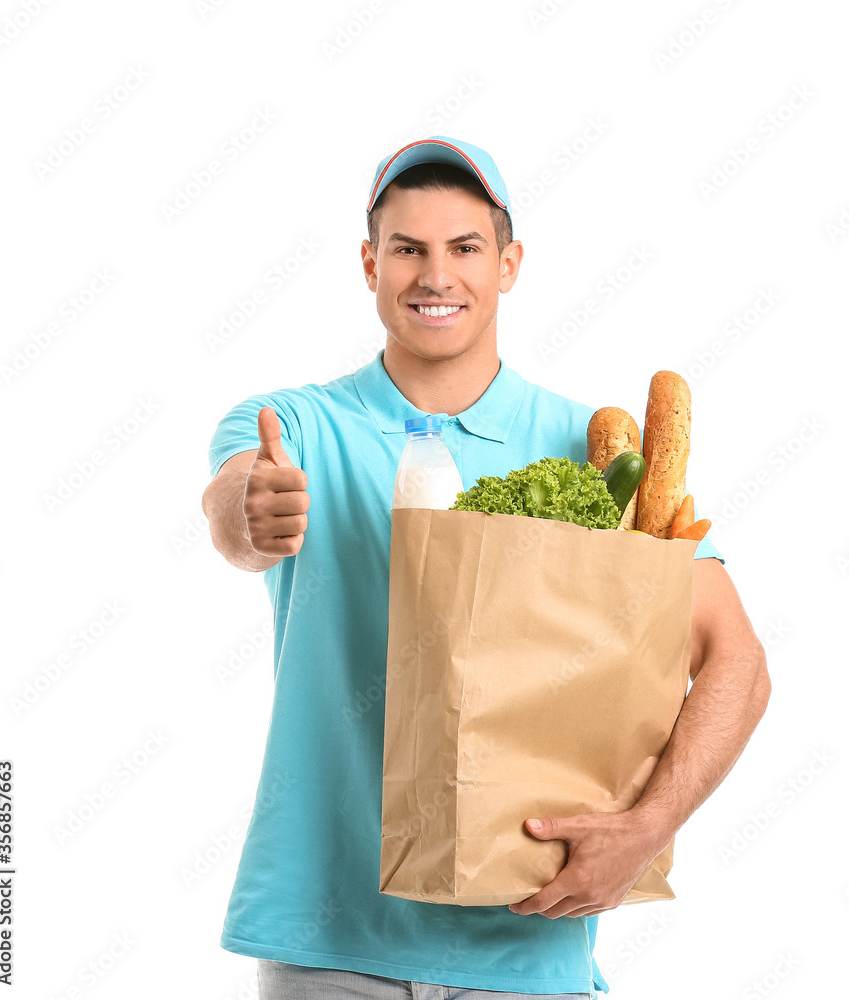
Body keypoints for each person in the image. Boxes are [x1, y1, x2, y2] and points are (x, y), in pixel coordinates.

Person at [201, 135, 771, 999]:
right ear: (369, 264)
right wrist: (250, 511)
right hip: (327, 939)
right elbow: (235, 511)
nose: (436, 275)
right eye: (408, 249)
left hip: (527, 939)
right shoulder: (294, 427)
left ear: (508, 264)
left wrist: (647, 829)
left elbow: (737, 662)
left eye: (464, 248)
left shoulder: (592, 450)